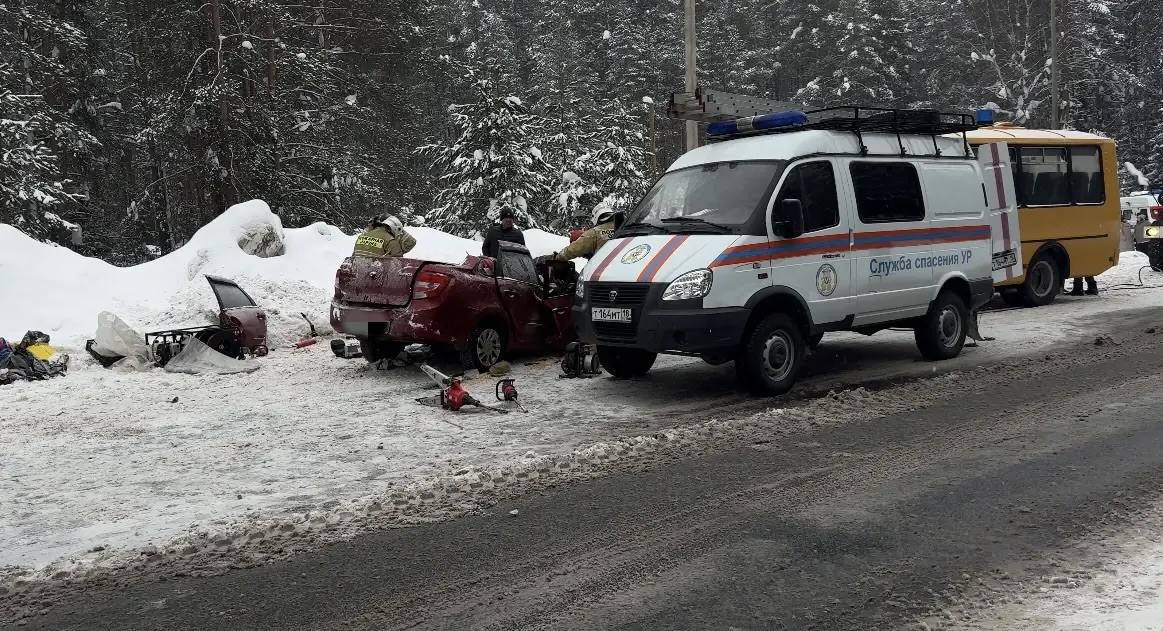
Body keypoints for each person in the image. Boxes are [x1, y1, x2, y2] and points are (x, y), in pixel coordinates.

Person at [541, 201, 616, 262]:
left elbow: (574, 249)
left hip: (602, 270)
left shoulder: (595, 232)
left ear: (596, 216)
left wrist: (558, 257)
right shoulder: (622, 227)